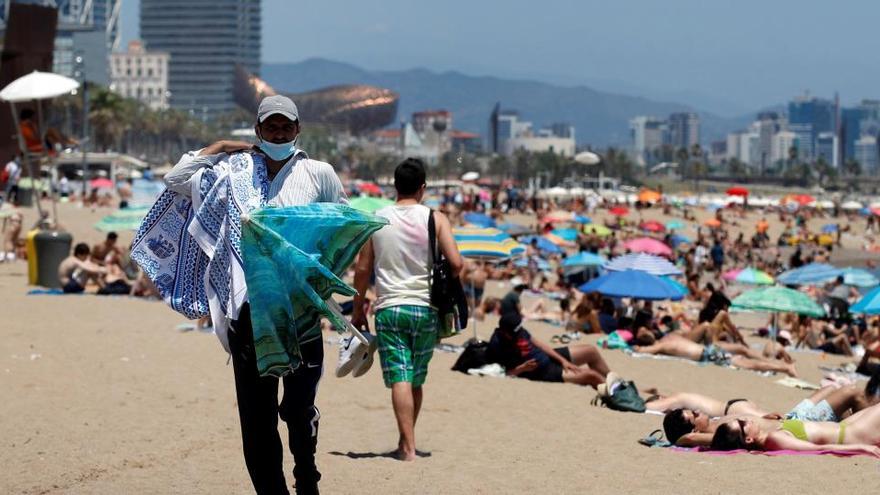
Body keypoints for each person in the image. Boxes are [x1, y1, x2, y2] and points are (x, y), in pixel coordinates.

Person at [163, 95, 347, 494]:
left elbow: (341, 228)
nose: (279, 134)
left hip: (300, 312)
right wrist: (220, 148)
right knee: (257, 417)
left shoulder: (319, 173)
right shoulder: (235, 170)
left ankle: (306, 471)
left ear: (298, 130)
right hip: (247, 311)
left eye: (286, 127)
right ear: (258, 130)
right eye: (271, 127)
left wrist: (323, 276)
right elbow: (176, 179)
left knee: (297, 408)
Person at [351, 157, 463, 461]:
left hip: (388, 308)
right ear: (423, 188)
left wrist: (358, 309)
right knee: (415, 377)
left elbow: (362, 270)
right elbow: (456, 263)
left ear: (395, 187)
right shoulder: (435, 219)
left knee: (399, 375)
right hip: (425, 308)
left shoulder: (377, 218)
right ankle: (407, 443)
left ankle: (407, 446)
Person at [487, 313, 618, 389]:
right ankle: (617, 393)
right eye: (515, 334)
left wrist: (563, 361)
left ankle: (617, 383)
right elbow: (501, 373)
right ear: (505, 332)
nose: (519, 335)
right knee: (591, 375)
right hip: (541, 371)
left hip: (547, 357)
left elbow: (540, 345)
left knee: (591, 351)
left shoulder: (517, 330)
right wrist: (522, 368)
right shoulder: (497, 345)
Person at [710, 403, 880, 456]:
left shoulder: (771, 435)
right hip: (852, 435)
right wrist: (862, 448)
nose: (745, 419)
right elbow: (819, 449)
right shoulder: (774, 440)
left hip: (846, 427)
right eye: (742, 424)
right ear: (748, 439)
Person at [633, 334, 798, 377]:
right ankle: (783, 366)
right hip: (709, 349)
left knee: (748, 364)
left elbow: (643, 351)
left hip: (709, 355)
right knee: (743, 354)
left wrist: (638, 348)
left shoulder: (663, 344)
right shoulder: (670, 337)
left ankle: (785, 368)